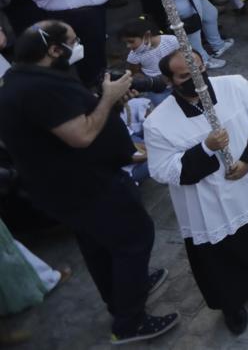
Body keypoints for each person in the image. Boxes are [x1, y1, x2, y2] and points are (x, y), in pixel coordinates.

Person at [0, 21, 179, 343]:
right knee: (134, 238)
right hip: (85, 186)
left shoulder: (25, 77)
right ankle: (130, 321)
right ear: (54, 50)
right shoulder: (38, 89)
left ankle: (124, 292)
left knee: (100, 245)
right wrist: (109, 99)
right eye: (73, 41)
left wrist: (102, 98)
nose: (78, 44)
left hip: (67, 187)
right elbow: (81, 135)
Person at [143, 50, 248, 335]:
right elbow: (163, 170)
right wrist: (205, 148)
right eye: (186, 76)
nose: (197, 79)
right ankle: (232, 303)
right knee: (222, 258)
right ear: (169, 80)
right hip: (212, 202)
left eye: (199, 70)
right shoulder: (157, 123)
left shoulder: (234, 85)